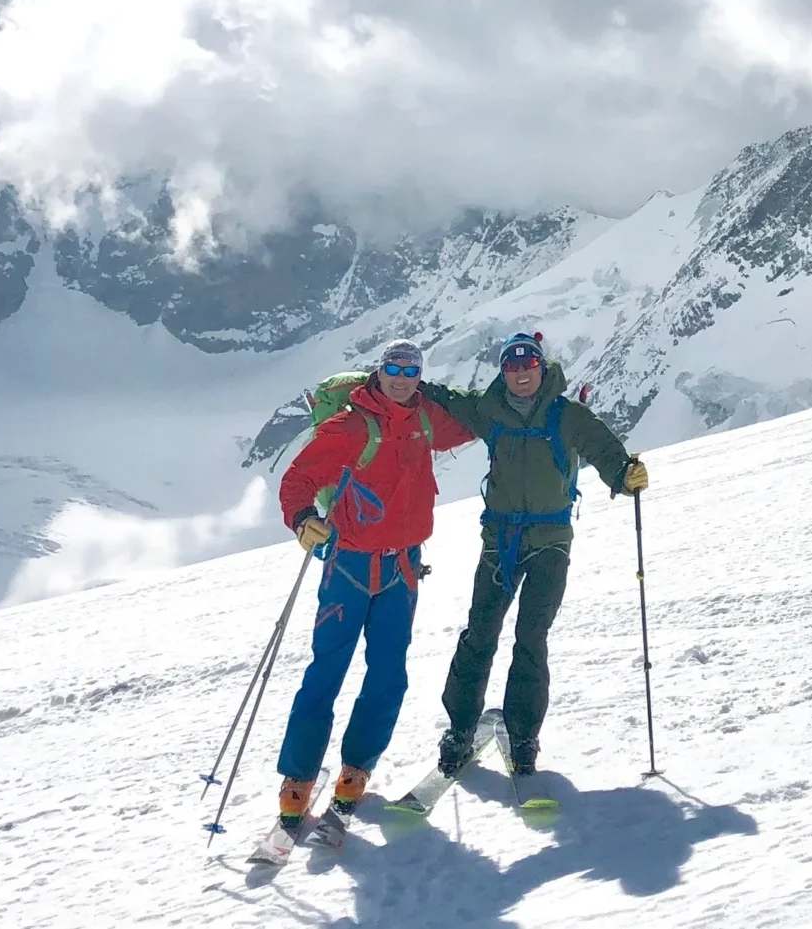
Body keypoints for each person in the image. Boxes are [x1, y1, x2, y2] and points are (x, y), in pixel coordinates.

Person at [418, 331, 649, 776]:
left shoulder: (568, 415)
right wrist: (409, 384)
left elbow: (604, 450)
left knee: (530, 637)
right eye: (512, 366)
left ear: (542, 368)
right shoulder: (489, 410)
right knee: (479, 634)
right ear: (503, 372)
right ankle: (459, 728)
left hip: (550, 544)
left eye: (528, 366)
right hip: (500, 543)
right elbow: (449, 399)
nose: (521, 374)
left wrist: (624, 475)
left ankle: (523, 734)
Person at [273, 339, 474, 828]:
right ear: (378, 372)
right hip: (348, 567)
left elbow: (474, 424)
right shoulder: (350, 427)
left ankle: (355, 770)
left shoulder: (426, 420)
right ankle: (297, 778)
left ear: (420, 375)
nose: (401, 378)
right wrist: (302, 520)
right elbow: (297, 480)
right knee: (327, 672)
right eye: (393, 368)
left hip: (401, 569)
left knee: (388, 674)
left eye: (411, 370)